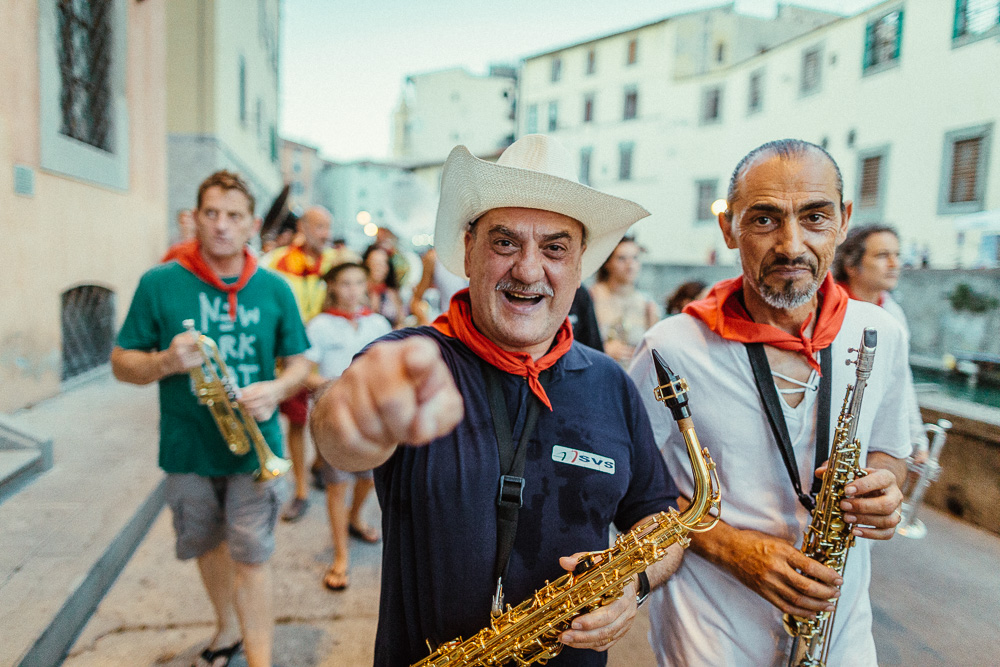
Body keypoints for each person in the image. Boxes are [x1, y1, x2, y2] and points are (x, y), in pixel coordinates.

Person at [310, 134, 683, 667]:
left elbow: (661, 517)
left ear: (579, 265)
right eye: (505, 243)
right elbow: (338, 435)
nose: (528, 271)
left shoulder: (611, 382)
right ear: (468, 251)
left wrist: (634, 583)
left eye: (554, 248)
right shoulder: (409, 362)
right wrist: (348, 416)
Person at [629, 139, 912, 666]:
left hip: (841, 630)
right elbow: (632, 488)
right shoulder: (670, 348)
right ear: (728, 228)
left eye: (815, 217)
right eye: (764, 220)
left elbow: (891, 449)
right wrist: (732, 548)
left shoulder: (881, 333)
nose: (791, 245)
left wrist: (884, 487)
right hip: (711, 632)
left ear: (844, 221)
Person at [111, 170, 311, 667]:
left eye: (234, 216)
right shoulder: (159, 283)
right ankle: (226, 629)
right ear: (196, 219)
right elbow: (121, 363)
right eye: (212, 213)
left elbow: (300, 364)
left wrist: (277, 389)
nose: (222, 225)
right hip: (188, 446)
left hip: (256, 448)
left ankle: (260, 659)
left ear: (253, 225)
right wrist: (164, 361)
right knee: (206, 545)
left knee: (252, 554)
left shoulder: (275, 288)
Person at [262, 206, 354, 522]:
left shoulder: (337, 261)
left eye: (328, 226)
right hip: (293, 358)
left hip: (328, 358)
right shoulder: (276, 261)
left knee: (328, 418)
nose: (325, 234)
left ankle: (318, 464)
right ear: (303, 227)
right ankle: (301, 489)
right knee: (298, 421)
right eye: (319, 227)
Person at [303, 261, 391, 591]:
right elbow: (304, 374)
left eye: (358, 283)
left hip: (371, 418)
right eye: (345, 283)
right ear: (333, 287)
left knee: (369, 478)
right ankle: (341, 555)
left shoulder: (378, 323)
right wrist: (338, 384)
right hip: (332, 418)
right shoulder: (320, 326)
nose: (353, 290)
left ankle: (355, 518)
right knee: (337, 485)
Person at [833, 223, 929, 461]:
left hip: (875, 438)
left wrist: (916, 439)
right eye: (882, 255)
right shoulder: (828, 308)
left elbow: (901, 381)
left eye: (897, 255)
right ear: (851, 265)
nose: (894, 264)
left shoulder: (893, 312)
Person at [589, 237, 661, 365]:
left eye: (635, 258)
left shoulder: (647, 304)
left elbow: (655, 351)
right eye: (621, 258)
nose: (630, 265)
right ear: (607, 262)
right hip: (598, 368)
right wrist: (602, 349)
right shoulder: (592, 297)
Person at [362, 244, 406, 328]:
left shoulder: (392, 292)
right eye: (374, 263)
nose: (378, 268)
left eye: (383, 263)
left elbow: (401, 321)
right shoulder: (358, 291)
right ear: (366, 264)